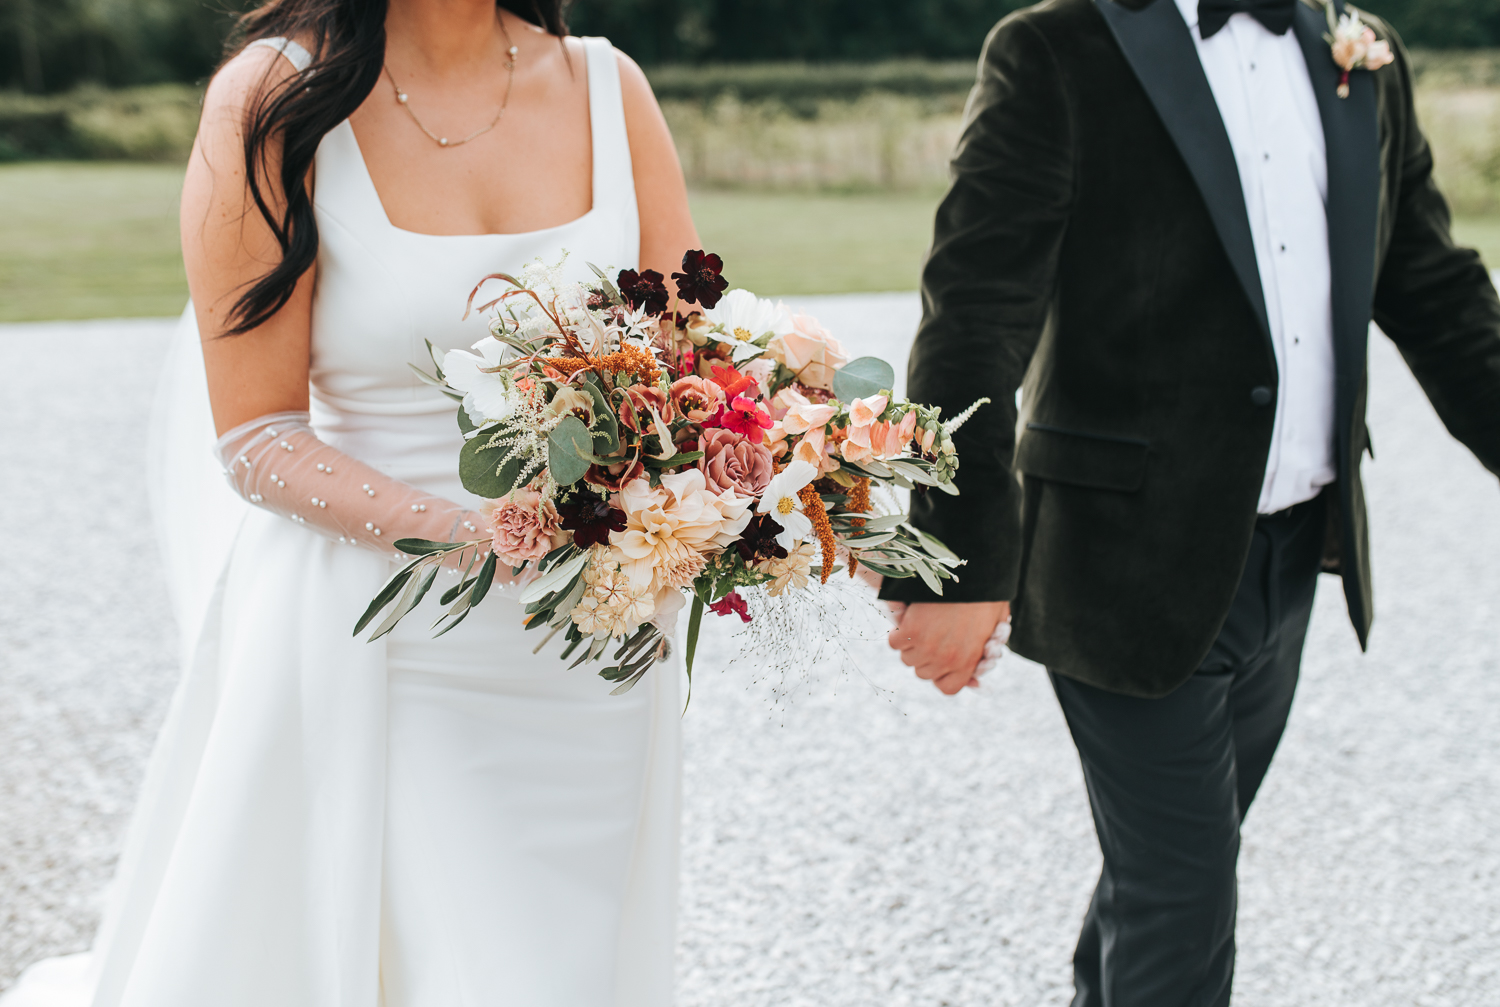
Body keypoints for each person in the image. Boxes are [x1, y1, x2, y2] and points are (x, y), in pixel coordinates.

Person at [2, 2, 698, 1005]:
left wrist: (728, 479)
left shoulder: (608, 85)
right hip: (386, 640)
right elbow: (257, 438)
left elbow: (689, 360)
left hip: (588, 652)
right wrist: (475, 535)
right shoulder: (273, 100)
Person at [882, 0, 1500, 1003]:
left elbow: (1432, 286)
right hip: (1122, 556)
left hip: (1296, 555)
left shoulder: (1358, 53)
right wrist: (951, 561)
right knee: (1183, 893)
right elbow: (976, 312)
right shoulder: (1055, 49)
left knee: (1167, 873)